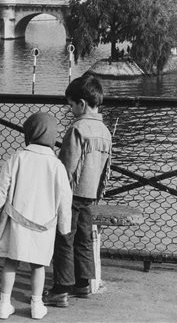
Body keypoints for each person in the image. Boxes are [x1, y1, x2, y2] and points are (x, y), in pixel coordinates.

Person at [0, 112, 72, 320]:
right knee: (38, 265)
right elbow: (65, 199)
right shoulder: (57, 165)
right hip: (44, 225)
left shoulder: (17, 158)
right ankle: (36, 304)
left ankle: (4, 304)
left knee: (11, 262)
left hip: (16, 221)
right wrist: (64, 227)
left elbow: (1, 187)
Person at [43, 74, 112, 307]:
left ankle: (61, 288)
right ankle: (83, 283)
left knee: (64, 238)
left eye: (71, 105)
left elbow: (66, 166)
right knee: (84, 239)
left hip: (72, 194)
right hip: (91, 195)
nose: (70, 109)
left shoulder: (77, 129)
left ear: (81, 104)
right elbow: (106, 169)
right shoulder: (105, 132)